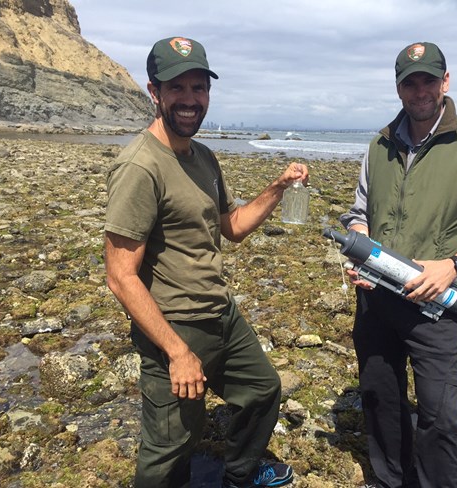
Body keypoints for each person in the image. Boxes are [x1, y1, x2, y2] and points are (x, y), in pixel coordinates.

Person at [104, 36, 308, 488]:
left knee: (262, 390)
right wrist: (177, 352)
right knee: (171, 447)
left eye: (199, 88)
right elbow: (120, 276)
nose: (190, 100)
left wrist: (277, 187)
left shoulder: (203, 157)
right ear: (155, 91)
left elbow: (231, 226)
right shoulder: (140, 167)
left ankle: (239, 474)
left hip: (221, 312)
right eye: (178, 88)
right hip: (174, 325)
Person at [340, 42, 457, 488]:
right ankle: (389, 480)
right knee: (379, 398)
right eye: (409, 81)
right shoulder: (378, 144)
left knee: (440, 416)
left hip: (435, 305)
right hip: (375, 298)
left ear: (445, 81)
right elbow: (359, 210)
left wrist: (453, 264)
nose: (419, 90)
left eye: (428, 79)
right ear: (399, 87)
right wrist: (359, 238)